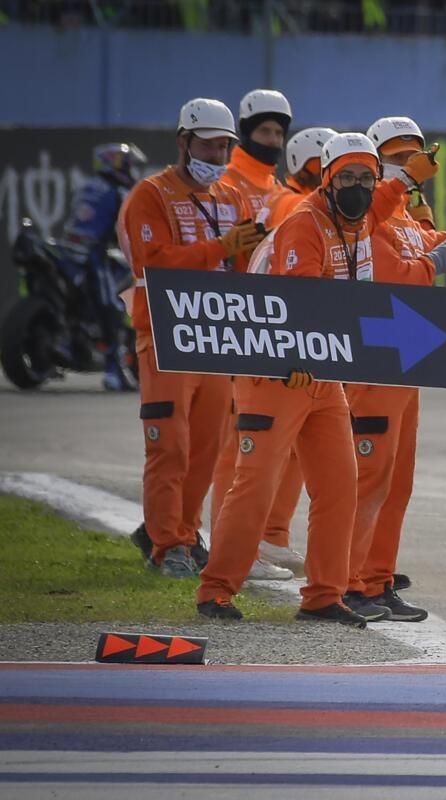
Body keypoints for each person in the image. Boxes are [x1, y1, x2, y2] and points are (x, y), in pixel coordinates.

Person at [196, 132, 431, 625]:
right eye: (347, 177)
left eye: (367, 177)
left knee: (339, 485)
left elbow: (385, 202)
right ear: (326, 178)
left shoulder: (363, 218)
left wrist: (407, 178)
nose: (359, 187)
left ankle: (324, 595)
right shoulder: (305, 224)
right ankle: (215, 590)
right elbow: (301, 305)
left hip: (321, 369)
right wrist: (310, 353)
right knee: (256, 486)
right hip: (277, 367)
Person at [338, 116, 446, 622]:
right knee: (368, 477)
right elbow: (398, 271)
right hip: (372, 355)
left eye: (413, 155)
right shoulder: (361, 220)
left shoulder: (410, 219)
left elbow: (440, 247)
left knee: (396, 482)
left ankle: (377, 578)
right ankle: (347, 582)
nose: (407, 164)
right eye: (395, 157)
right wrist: (406, 184)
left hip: (410, 352)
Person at [117, 98, 264, 577]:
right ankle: (167, 546)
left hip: (217, 338)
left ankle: (183, 532)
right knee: (170, 445)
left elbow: (242, 266)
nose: (217, 156)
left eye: (225, 147)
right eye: (209, 145)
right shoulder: (150, 193)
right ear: (183, 142)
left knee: (206, 447)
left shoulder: (231, 197)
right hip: (163, 335)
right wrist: (218, 248)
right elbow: (152, 261)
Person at [207, 89, 302, 579]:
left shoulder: (275, 185)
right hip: (236, 315)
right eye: (265, 131)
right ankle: (230, 544)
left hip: (271, 317)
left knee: (264, 442)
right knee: (239, 441)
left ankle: (257, 539)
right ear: (246, 132)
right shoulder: (229, 183)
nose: (273, 139)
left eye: (279, 132)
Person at [60, 142, 148, 391]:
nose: (131, 170)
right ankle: (113, 369)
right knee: (110, 304)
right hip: (93, 254)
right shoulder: (119, 192)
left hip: (69, 249)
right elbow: (128, 228)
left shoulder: (87, 186)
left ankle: (70, 338)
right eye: (128, 165)